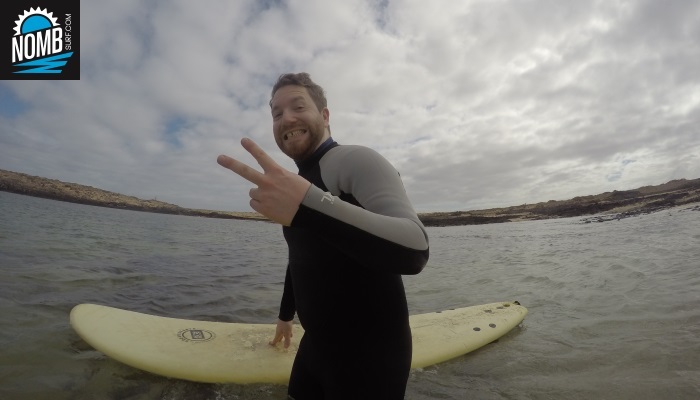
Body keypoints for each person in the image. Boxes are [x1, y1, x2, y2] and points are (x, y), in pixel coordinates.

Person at [217, 73, 429, 399]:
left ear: (325, 116)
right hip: (315, 349)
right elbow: (301, 257)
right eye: (276, 113)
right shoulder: (297, 183)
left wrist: (308, 205)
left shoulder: (354, 160)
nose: (286, 118)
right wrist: (286, 316)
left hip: (371, 363)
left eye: (298, 106)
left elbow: (415, 247)